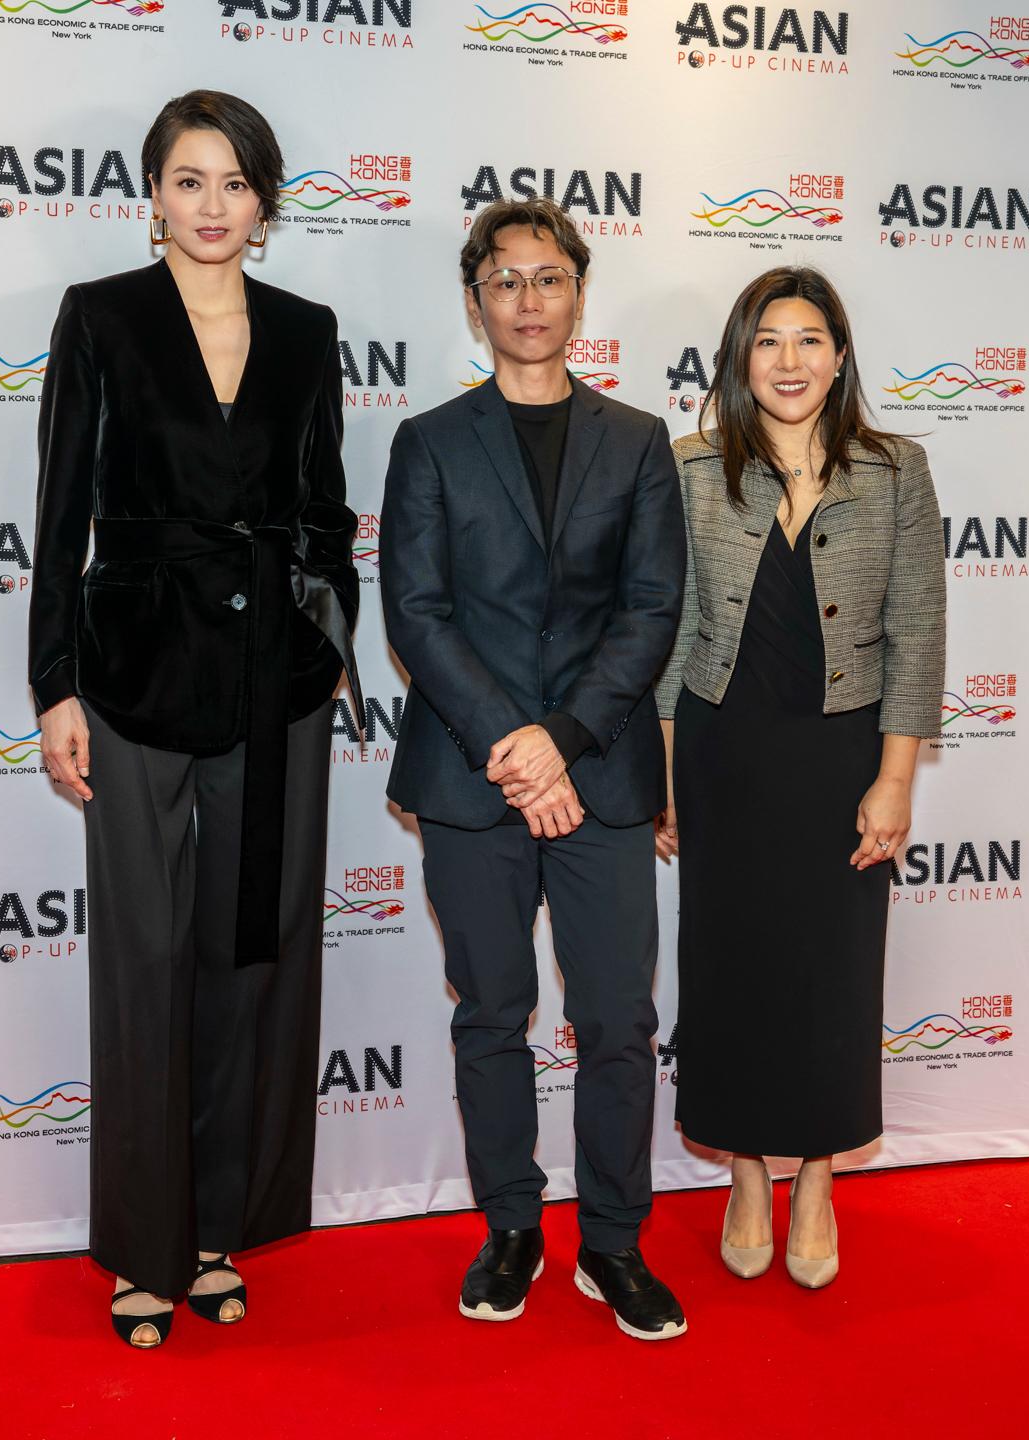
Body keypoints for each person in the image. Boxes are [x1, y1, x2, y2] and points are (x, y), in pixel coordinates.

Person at [28, 90, 361, 1349]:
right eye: (189, 179)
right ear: (152, 193)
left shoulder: (306, 329)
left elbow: (325, 507)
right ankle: (141, 1248)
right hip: (131, 680)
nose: (212, 205)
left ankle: (218, 1227)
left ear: (264, 204)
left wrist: (327, 642)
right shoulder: (101, 318)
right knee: (145, 962)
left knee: (251, 957)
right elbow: (60, 513)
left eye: (235, 183)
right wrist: (54, 684)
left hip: (276, 685)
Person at [380, 199, 688, 1341]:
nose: (527, 300)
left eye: (547, 278)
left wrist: (561, 738)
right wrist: (518, 747)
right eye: (504, 282)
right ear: (477, 300)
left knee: (617, 1019)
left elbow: (653, 611)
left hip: (601, 777)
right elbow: (416, 611)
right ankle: (512, 1226)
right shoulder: (428, 442)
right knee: (493, 1015)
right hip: (470, 781)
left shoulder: (639, 440)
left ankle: (612, 1243)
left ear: (577, 293)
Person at [656, 266, 945, 1290]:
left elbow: (917, 633)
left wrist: (896, 780)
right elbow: (672, 634)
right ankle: (744, 1170)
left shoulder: (896, 469)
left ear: (840, 353)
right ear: (740, 356)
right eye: (768, 340)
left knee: (832, 970)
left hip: (842, 758)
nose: (789, 361)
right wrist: (670, 781)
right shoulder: (688, 466)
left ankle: (817, 1175)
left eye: (810, 339)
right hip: (722, 750)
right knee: (729, 966)